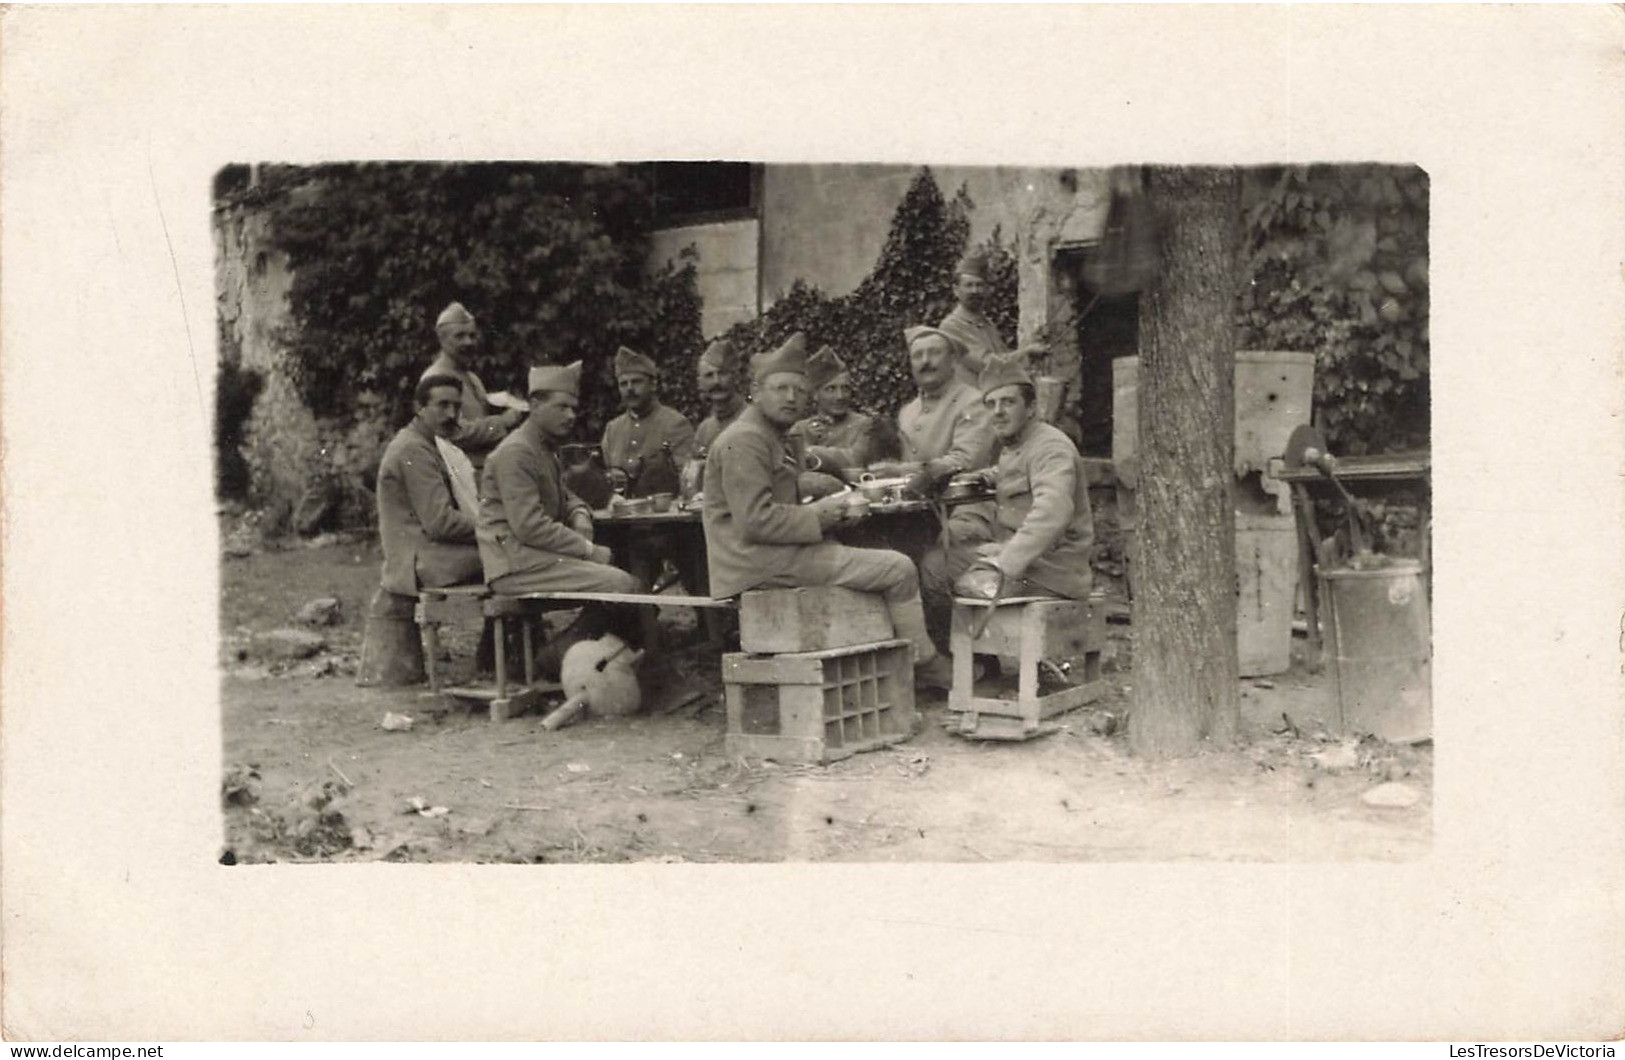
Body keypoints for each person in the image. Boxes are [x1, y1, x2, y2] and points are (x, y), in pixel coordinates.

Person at [703, 335, 956, 689]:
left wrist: (821, 499)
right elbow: (755, 521)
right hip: (757, 562)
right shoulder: (745, 439)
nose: (791, 398)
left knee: (869, 555)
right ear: (755, 392)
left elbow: (784, 489)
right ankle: (925, 663)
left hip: (772, 554)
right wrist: (822, 515)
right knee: (898, 569)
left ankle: (885, 670)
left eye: (798, 390)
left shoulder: (770, 434)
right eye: (780, 388)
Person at [921, 353, 1095, 609]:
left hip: (1053, 572)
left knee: (941, 571)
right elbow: (1018, 470)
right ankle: (962, 648)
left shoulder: (1051, 447)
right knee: (937, 561)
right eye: (990, 404)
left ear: (1032, 409)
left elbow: (1053, 512)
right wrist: (985, 476)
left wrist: (1006, 560)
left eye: (1008, 402)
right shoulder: (1018, 442)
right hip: (1031, 560)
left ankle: (957, 649)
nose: (998, 412)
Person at [477, 362, 641, 596]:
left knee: (621, 573)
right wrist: (586, 549)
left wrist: (579, 512)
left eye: (573, 408)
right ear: (535, 406)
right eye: (562, 407)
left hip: (531, 557)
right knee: (621, 583)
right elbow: (529, 526)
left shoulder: (542, 448)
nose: (571, 416)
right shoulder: (516, 452)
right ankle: (588, 635)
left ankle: (592, 634)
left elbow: (564, 494)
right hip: (514, 564)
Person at [375, 373, 484, 597]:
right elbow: (440, 522)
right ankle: (512, 631)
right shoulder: (412, 449)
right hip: (421, 564)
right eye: (442, 405)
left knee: (515, 552)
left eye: (456, 406)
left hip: (428, 555)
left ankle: (505, 631)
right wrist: (496, 526)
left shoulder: (426, 442)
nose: (451, 414)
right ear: (419, 407)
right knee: (518, 553)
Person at [420, 301, 525, 472]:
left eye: (472, 335)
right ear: (442, 339)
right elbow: (452, 432)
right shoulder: (435, 378)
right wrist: (502, 422)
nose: (468, 342)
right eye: (460, 336)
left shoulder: (472, 377)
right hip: (459, 477)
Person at [600, 345, 696, 493]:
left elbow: (687, 480)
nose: (630, 389)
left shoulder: (676, 424)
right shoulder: (613, 429)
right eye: (623, 384)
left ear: (653, 385)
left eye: (637, 381)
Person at [787, 345, 878, 464]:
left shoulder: (864, 425)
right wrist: (808, 439)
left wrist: (809, 450)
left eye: (845, 388)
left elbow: (856, 459)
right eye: (831, 389)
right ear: (815, 394)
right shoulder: (800, 429)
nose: (840, 396)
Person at [938, 249, 1010, 388]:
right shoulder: (951, 327)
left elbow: (1003, 357)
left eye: (979, 285)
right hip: (969, 404)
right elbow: (987, 364)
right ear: (956, 290)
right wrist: (1026, 354)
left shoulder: (987, 324)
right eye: (969, 285)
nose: (975, 291)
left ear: (987, 289)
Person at [693, 338, 748, 453]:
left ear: (736, 377)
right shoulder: (704, 430)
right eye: (709, 375)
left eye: (723, 373)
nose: (716, 381)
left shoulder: (753, 419)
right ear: (700, 383)